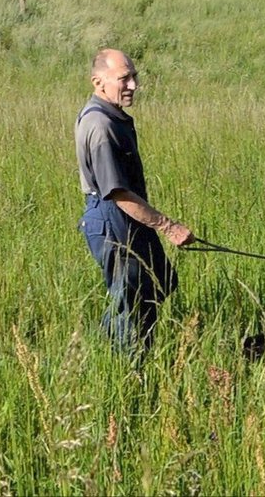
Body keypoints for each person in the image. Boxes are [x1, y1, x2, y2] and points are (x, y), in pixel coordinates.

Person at [75, 48, 195, 357]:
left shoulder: (111, 116)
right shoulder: (101, 126)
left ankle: (106, 349)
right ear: (98, 82)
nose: (133, 86)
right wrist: (170, 227)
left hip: (126, 217)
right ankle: (126, 367)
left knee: (159, 282)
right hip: (113, 218)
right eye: (124, 79)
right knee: (131, 302)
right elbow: (117, 192)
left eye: (134, 77)